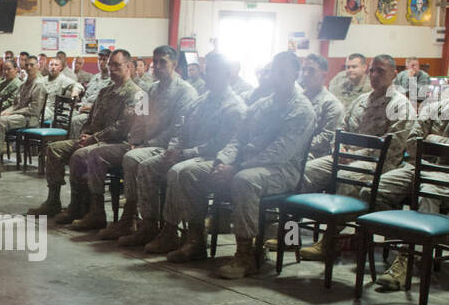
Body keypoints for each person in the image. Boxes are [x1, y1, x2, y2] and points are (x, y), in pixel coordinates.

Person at [165, 51, 316, 276]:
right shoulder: (262, 104)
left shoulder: (301, 109)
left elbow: (279, 152)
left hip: (282, 170)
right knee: (190, 173)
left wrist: (236, 168)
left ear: (296, 74)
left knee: (244, 180)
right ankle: (195, 240)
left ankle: (247, 255)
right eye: (274, 71)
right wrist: (222, 161)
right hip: (245, 163)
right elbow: (238, 138)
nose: (277, 76)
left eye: (283, 72)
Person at [370, 57, 449, 291]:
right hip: (419, 167)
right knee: (376, 189)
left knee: (427, 193)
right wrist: (436, 146)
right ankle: (406, 243)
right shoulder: (435, 106)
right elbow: (412, 144)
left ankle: (406, 260)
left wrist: (431, 139)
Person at [290, 54, 411, 261]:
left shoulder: (400, 106)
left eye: (380, 71)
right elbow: (341, 129)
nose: (374, 75)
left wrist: (354, 155)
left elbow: (392, 148)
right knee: (303, 171)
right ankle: (290, 234)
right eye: (372, 70)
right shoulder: (362, 100)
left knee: (348, 177)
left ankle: (330, 241)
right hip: (345, 156)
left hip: (377, 165)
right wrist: (343, 149)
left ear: (394, 74)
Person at [139, 54, 247, 253]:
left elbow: (219, 145)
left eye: (214, 70)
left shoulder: (234, 106)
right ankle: (149, 224)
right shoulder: (201, 100)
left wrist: (183, 153)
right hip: (186, 152)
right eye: (208, 70)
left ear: (227, 74)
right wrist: (174, 148)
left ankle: (190, 236)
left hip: (212, 157)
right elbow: (182, 128)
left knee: (179, 171)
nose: (209, 75)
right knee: (147, 165)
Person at [26, 49, 142, 221]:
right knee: (54, 149)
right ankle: (53, 200)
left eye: (116, 65)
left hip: (119, 143)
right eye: (110, 65)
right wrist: (85, 134)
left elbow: (123, 127)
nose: (111, 69)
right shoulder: (105, 91)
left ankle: (87, 208)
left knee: (80, 155)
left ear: (129, 67)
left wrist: (92, 139)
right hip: (94, 139)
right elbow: (91, 118)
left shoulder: (137, 93)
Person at [97, 45, 198, 239]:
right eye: (156, 62)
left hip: (168, 145)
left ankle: (146, 222)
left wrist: (148, 143)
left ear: (175, 65)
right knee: (130, 155)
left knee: (136, 160)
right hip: (148, 143)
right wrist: (135, 141)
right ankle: (133, 218)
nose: (158, 66)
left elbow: (179, 128)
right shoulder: (150, 89)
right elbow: (139, 119)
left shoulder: (185, 92)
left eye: (163, 62)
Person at [299, 53, 345, 159]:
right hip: (290, 149)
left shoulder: (331, 104)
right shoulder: (297, 99)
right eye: (303, 69)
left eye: (311, 70)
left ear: (323, 75)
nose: (305, 74)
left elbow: (326, 137)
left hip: (314, 154)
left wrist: (297, 146)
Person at [0, 56, 47, 156]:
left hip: (30, 118)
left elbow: (34, 110)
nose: (29, 67)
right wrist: (4, 111)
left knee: (0, 122)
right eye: (27, 65)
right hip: (19, 116)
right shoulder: (23, 84)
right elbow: (16, 104)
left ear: (37, 66)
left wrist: (11, 112)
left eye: (32, 65)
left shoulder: (39, 85)